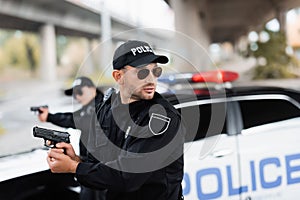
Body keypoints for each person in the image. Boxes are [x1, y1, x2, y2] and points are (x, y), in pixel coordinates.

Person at [46, 40, 186, 200]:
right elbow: (99, 162)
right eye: (142, 72)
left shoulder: (161, 117)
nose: (151, 79)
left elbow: (128, 176)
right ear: (118, 76)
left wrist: (75, 168)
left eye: (156, 71)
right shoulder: (106, 109)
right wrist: (76, 160)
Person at [37, 76, 106, 200]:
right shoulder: (89, 108)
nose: (77, 97)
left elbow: (75, 120)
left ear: (92, 89)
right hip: (89, 167)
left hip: (99, 171)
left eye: (79, 92)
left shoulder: (103, 108)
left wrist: (50, 117)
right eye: (74, 94)